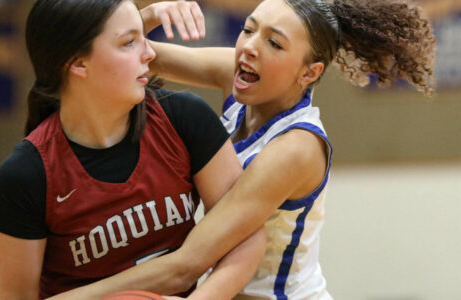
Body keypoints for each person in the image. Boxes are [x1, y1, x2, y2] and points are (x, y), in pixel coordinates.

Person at [148, 0, 436, 299]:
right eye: (248, 29)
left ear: (309, 73)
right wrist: (149, 14)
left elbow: (187, 265)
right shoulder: (241, 77)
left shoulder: (296, 147)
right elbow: (130, 53)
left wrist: (95, 293)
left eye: (274, 42)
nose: (250, 46)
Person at [0, 0, 266, 299]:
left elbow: (245, 236)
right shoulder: (24, 176)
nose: (151, 53)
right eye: (129, 42)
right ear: (78, 63)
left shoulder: (184, 119)